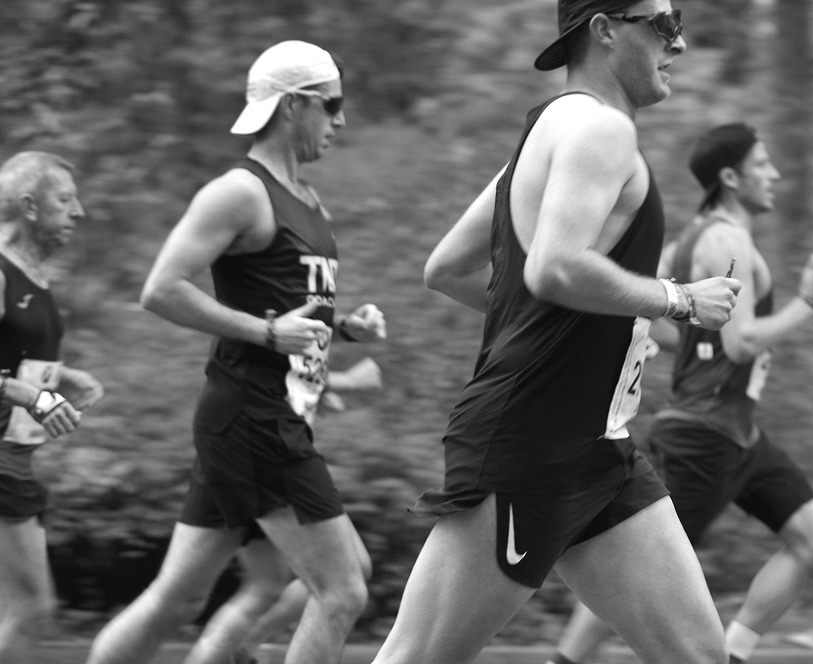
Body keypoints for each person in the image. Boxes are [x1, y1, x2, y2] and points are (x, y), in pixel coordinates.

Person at [370, 2, 740, 663]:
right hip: (532, 444)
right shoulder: (601, 130)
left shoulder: (547, 134)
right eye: (663, 23)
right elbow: (556, 268)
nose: (679, 42)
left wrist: (586, 325)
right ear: (604, 29)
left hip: (600, 447)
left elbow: (447, 269)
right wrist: (678, 300)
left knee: (700, 655)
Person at [86, 40, 386, 664]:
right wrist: (267, 335)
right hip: (255, 421)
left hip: (260, 420)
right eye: (332, 105)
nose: (342, 119)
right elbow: (161, 289)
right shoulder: (240, 192)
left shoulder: (307, 199)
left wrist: (344, 327)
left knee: (179, 599)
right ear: (293, 106)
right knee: (343, 589)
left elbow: (290, 306)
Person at [545, 123, 813, 664]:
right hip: (702, 437)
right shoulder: (728, 239)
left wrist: (674, 340)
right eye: (762, 164)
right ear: (730, 177)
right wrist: (809, 303)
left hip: (740, 434)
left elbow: (648, 305)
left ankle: (735, 652)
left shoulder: (688, 241)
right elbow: (741, 342)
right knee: (638, 566)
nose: (775, 174)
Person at [194, 358, 384, 664]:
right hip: (263, 446)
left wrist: (317, 398)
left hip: (250, 443)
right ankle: (240, 648)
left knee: (265, 586)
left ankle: (241, 649)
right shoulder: (276, 333)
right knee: (342, 584)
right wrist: (347, 379)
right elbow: (261, 369)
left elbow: (276, 372)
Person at [0, 151, 104, 662]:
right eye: (65, 200)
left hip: (15, 460)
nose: (78, 211)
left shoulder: (33, 275)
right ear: (28, 206)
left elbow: (10, 358)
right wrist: (32, 395)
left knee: (19, 607)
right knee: (31, 607)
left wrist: (58, 376)